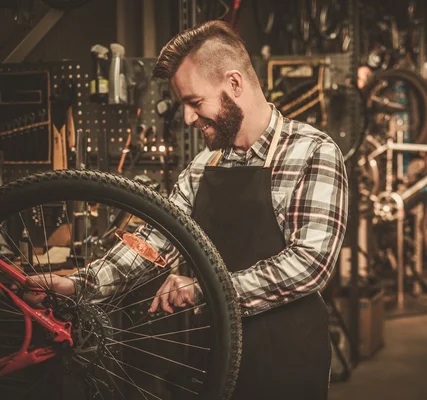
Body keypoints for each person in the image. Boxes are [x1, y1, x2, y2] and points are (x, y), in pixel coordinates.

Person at [25, 20, 348, 400]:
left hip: (287, 358)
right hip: (213, 359)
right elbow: (153, 241)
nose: (190, 118)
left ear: (234, 84)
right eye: (184, 105)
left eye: (195, 102)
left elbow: (309, 264)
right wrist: (80, 284)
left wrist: (206, 289)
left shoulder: (313, 152)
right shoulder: (202, 166)